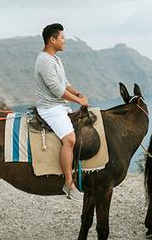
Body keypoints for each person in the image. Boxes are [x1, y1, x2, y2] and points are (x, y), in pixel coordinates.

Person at [34, 23, 89, 201]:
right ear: (52, 39)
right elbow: (57, 89)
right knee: (70, 139)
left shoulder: (56, 59)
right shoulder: (44, 61)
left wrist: (78, 93)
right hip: (50, 108)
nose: (64, 41)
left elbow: (65, 83)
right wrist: (79, 101)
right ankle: (69, 183)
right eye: (62, 38)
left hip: (61, 106)